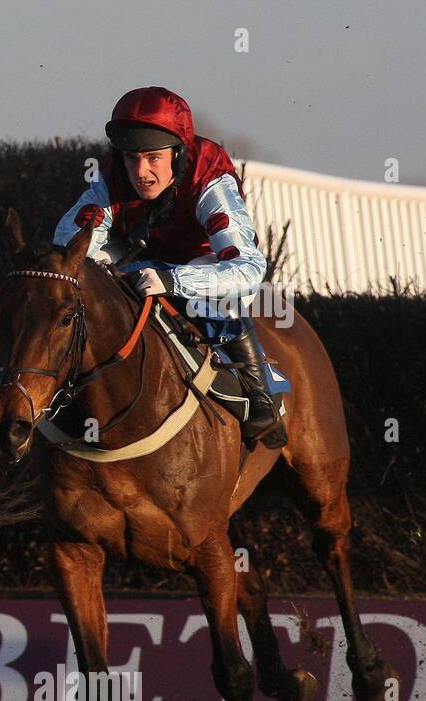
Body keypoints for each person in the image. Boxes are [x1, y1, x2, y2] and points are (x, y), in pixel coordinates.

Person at [54, 86, 286, 449]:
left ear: (178, 154)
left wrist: (174, 279)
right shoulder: (111, 176)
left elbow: (248, 270)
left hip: (203, 263)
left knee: (214, 300)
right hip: (142, 258)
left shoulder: (209, 178)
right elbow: (69, 242)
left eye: (152, 158)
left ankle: (259, 394)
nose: (141, 172)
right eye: (131, 158)